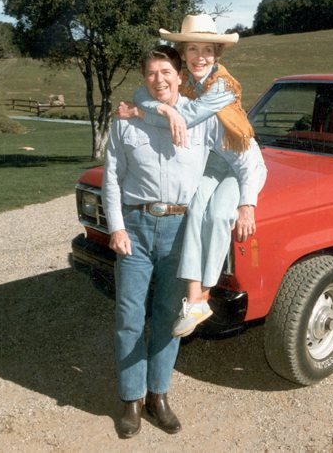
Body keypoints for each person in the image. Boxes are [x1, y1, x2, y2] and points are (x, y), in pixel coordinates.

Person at [103, 45, 264, 438]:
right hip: (136, 230)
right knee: (128, 318)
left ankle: (158, 396)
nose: (159, 79)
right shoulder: (126, 120)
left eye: (165, 72)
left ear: (179, 76)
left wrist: (246, 202)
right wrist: (116, 227)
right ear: (145, 80)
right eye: (151, 74)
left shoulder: (205, 120)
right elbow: (111, 177)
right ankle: (131, 401)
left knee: (168, 319)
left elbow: (246, 159)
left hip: (179, 233)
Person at [119, 13, 265, 338]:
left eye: (208, 51)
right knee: (193, 209)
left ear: (217, 55)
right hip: (212, 161)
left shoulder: (224, 85)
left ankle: (206, 295)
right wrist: (163, 108)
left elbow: (188, 115)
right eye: (193, 50)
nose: (201, 57)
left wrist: (247, 204)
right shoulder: (182, 80)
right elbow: (142, 91)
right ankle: (194, 297)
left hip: (242, 162)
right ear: (183, 54)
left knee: (215, 215)